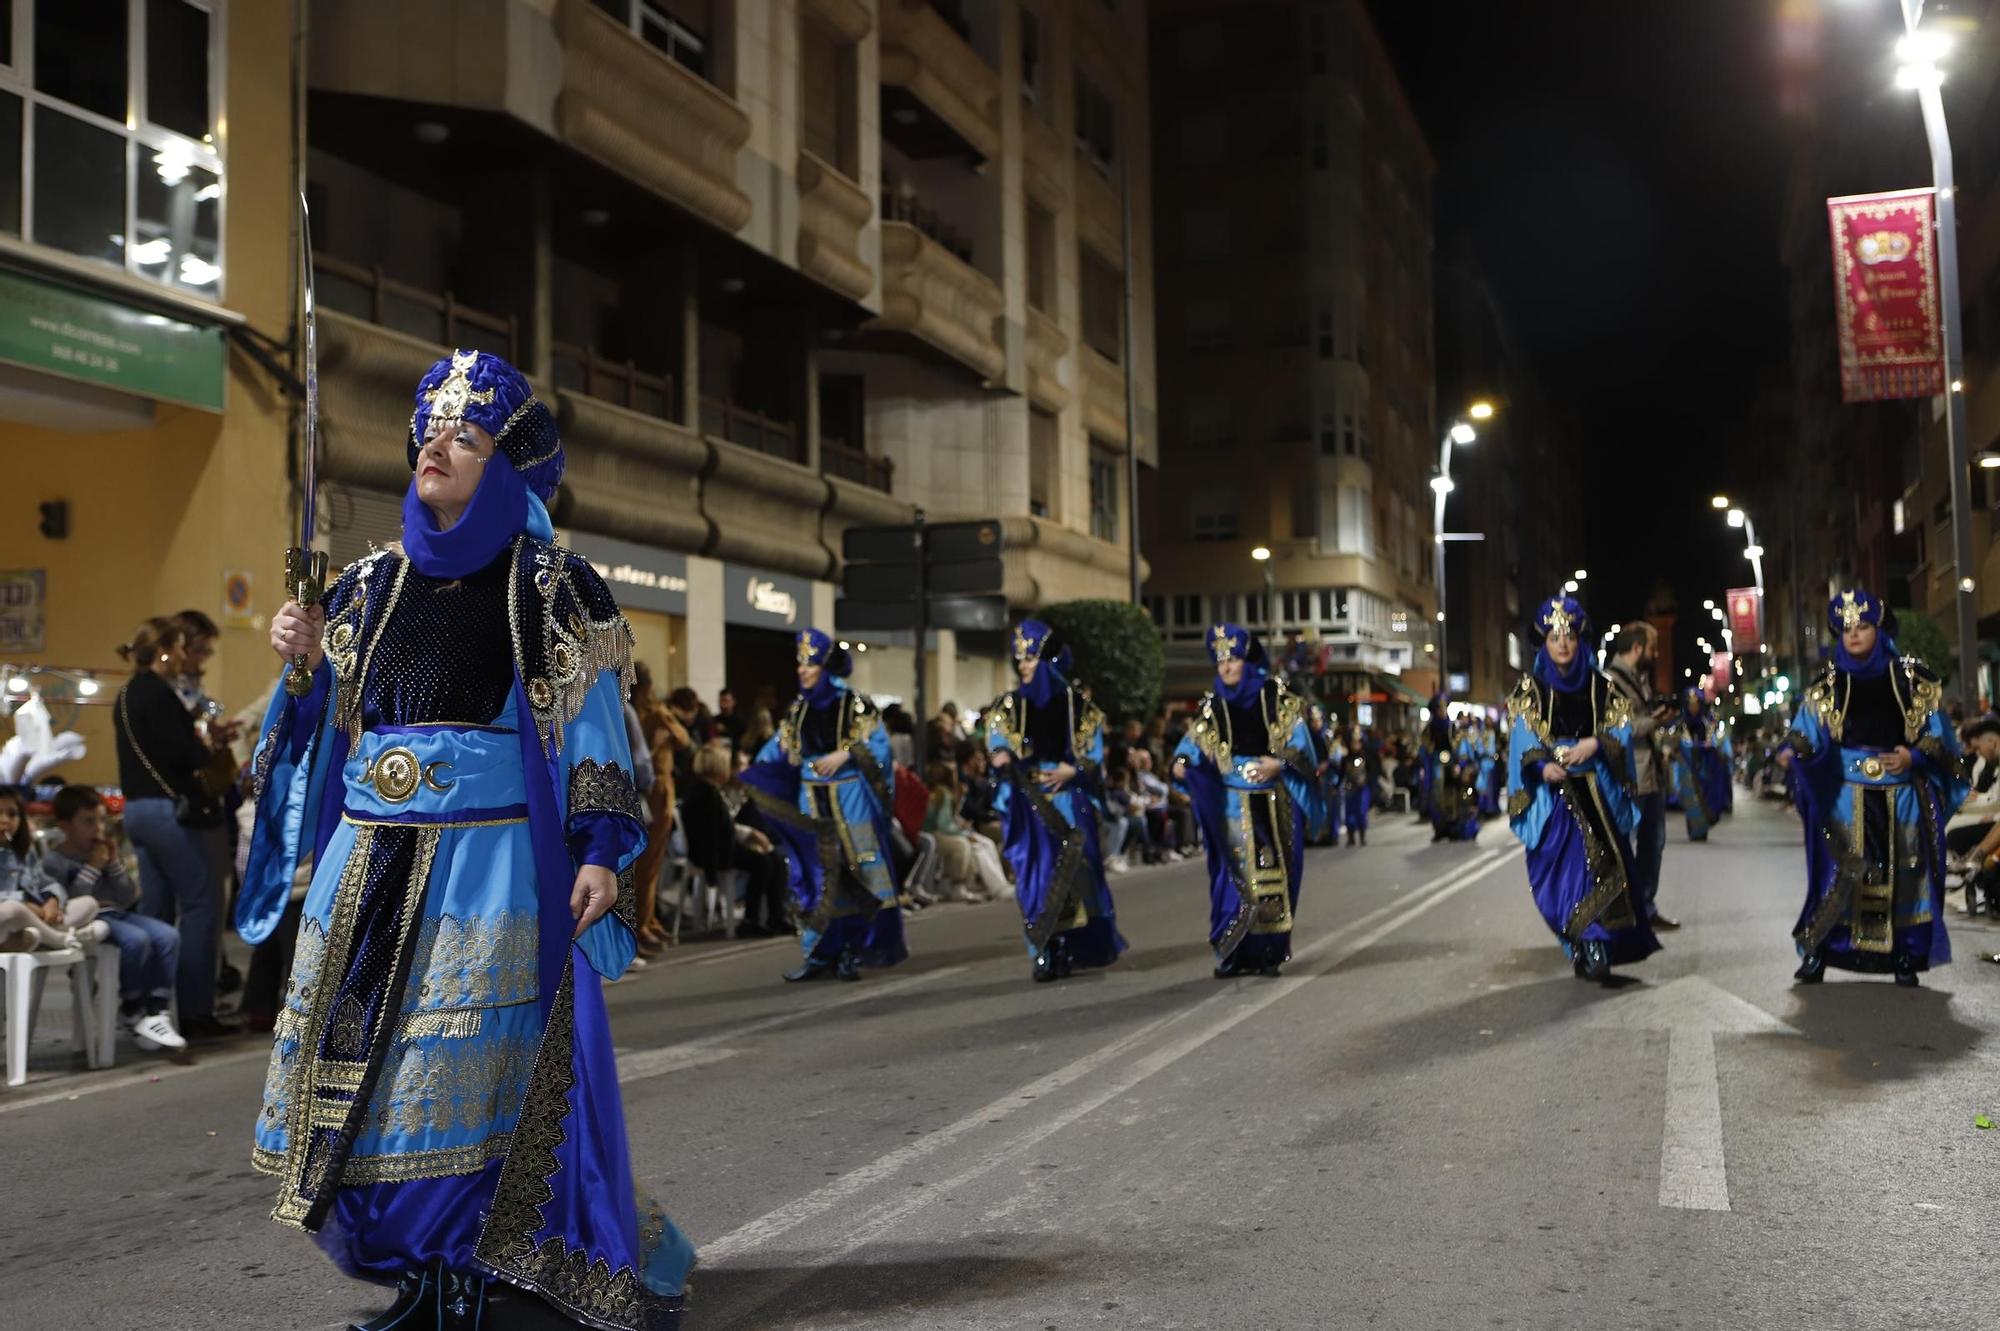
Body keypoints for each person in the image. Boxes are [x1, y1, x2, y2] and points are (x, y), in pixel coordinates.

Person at [242, 348, 692, 1329]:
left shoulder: (555, 586)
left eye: (467, 436)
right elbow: (319, 731)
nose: (436, 448)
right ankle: (426, 1279)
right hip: (365, 871)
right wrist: (302, 666)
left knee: (452, 1082)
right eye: (430, 433)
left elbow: (597, 728)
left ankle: (463, 1280)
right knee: (366, 1089)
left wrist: (601, 848)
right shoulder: (363, 586)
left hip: (484, 872)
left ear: (504, 464)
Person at [1776, 589, 1966, 986]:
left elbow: (1940, 737)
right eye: (1846, 628)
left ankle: (1906, 955)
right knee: (1840, 875)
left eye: (1862, 626)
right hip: (1846, 796)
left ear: (1879, 630)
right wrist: (1792, 750)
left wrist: (1913, 757)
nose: (1854, 634)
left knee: (1905, 874)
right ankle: (1821, 950)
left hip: (1900, 797)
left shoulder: (1913, 679)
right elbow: (1803, 732)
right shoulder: (1826, 685)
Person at [1505, 596, 1658, 983]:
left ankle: (1596, 944)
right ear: (1544, 641)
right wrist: (1542, 764)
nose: (1562, 643)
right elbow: (1523, 736)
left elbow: (1619, 727)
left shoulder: (1599, 686)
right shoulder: (1532, 689)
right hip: (1554, 800)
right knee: (1560, 876)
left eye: (1569, 635)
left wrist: (1595, 744)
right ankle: (1581, 940)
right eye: (1555, 636)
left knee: (1600, 868)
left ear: (1579, 640)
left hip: (1595, 792)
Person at [740, 630, 908, 982]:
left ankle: (853, 948)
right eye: (800, 662)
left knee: (855, 869)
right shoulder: (798, 710)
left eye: (810, 663)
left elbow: (879, 746)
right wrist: (760, 765)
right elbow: (778, 748)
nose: (802, 669)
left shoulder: (855, 704)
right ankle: (819, 951)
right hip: (810, 799)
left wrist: (846, 754)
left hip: (849, 798)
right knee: (813, 873)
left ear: (825, 666)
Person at [1173, 624, 1322, 979]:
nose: (1226, 667)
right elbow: (1193, 744)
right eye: (1220, 660)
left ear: (1246, 659)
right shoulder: (1214, 704)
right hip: (1229, 804)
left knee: (1272, 877)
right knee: (1231, 878)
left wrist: (1279, 764)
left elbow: (1303, 750)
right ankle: (1234, 953)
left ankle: (1269, 952)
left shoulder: (1275, 696)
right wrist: (1181, 762)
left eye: (1233, 659)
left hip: (1270, 803)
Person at [114, 616, 236, 1039]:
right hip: (167, 811)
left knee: (157, 911)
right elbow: (184, 755)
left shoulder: (127, 693)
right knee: (201, 906)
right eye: (181, 648)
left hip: (136, 810)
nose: (185, 657)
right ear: (164, 651)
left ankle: (150, 1008)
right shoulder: (160, 694)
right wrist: (208, 744)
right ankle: (197, 1012)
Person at [985, 620, 1125, 981]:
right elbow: (997, 739)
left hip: (1067, 801)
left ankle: (1073, 945)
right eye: (1021, 659)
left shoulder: (1080, 708)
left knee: (1077, 877)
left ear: (1047, 661)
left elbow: (1093, 755)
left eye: (1031, 658)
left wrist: (1072, 770)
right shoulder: (1009, 705)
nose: (1024, 665)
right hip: (1028, 804)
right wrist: (999, 754)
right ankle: (1044, 948)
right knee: (1035, 877)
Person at [39, 785, 186, 1054]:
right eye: (88, 822)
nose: (98, 828)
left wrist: (114, 865)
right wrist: (93, 867)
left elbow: (128, 895)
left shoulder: (104, 852)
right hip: (88, 918)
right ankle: (131, 1007)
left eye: (101, 820)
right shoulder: (55, 861)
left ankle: (156, 1007)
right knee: (136, 940)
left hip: (119, 912)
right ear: (65, 825)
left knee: (168, 935)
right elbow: (69, 901)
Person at [1603, 624, 1680, 930]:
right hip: (1630, 775)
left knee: (1654, 842)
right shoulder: (1610, 681)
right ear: (1636, 648)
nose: (1655, 654)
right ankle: (1623, 913)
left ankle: (1645, 908)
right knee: (1624, 845)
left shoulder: (1638, 680)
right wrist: (1653, 721)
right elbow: (1618, 730)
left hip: (1651, 773)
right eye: (1651, 648)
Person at [682, 743, 791, 935]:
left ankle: (776, 916)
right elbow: (715, 834)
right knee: (762, 862)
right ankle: (751, 919)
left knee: (774, 858)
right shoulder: (707, 794)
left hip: (716, 849)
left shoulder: (707, 790)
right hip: (710, 854)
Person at [0, 784, 110, 952]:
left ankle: (38, 939)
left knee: (89, 904)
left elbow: (45, 882)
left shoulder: (22, 850)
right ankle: (60, 940)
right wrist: (26, 905)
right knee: (11, 910)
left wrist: (52, 900)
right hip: (11, 916)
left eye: (12, 814)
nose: (5, 820)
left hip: (29, 920)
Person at [628, 661, 689, 956]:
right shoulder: (650, 715)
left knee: (649, 863)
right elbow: (683, 738)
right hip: (655, 789)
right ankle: (642, 923)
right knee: (648, 863)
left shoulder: (636, 712)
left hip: (653, 788)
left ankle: (648, 920)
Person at [922, 760, 1012, 902]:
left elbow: (950, 819)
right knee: (972, 846)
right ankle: (993, 887)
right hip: (936, 833)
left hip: (940, 832)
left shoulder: (943, 792)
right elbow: (943, 824)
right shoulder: (943, 793)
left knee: (986, 843)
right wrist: (966, 834)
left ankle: (999, 884)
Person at [1682, 688, 1733, 824]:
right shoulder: (1683, 724)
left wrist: (1710, 746)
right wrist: (1698, 746)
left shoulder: (1707, 722)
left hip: (1706, 764)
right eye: (1691, 705)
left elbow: (1716, 741)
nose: (1693, 708)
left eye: (1696, 704)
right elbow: (1684, 743)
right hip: (1691, 765)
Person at [1341, 726, 1373, 847]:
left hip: (1362, 788)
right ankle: (1351, 837)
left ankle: (1362, 835)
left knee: (1361, 812)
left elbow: (1372, 772)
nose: (1355, 745)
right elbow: (1342, 774)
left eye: (1357, 742)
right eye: (1353, 742)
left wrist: (1366, 780)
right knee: (1349, 812)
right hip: (1350, 788)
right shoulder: (1346, 759)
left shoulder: (1366, 757)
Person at [713, 687, 748, 757]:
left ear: (733, 702)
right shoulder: (714, 720)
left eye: (726, 701)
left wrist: (726, 731)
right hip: (717, 757)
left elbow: (742, 743)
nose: (723, 705)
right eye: (721, 701)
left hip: (734, 756)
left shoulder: (740, 722)